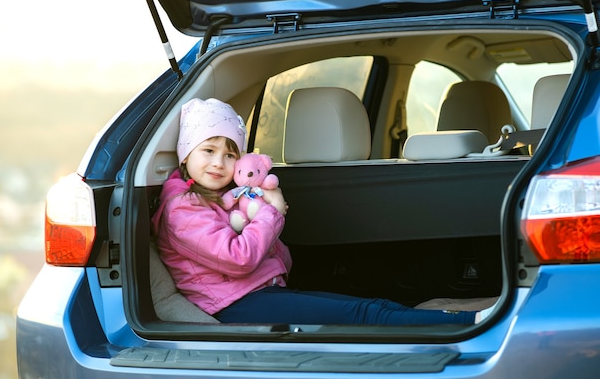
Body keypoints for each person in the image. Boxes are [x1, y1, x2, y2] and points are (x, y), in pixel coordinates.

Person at [151, 98, 495, 325]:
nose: (218, 162)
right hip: (232, 306)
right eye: (207, 150)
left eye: (229, 155)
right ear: (185, 155)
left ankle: (465, 315)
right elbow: (239, 258)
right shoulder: (181, 209)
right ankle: (472, 324)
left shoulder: (225, 196)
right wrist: (272, 212)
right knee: (365, 314)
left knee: (375, 305)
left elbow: (272, 257)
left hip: (258, 293)